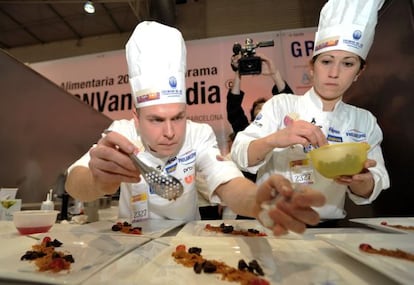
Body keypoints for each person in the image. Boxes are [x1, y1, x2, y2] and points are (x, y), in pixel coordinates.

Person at [64, 21, 325, 236]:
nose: (170, 132)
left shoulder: (198, 134)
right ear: (136, 117)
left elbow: (226, 180)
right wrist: (99, 181)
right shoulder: (121, 134)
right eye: (156, 120)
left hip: (185, 244)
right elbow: (74, 184)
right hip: (129, 241)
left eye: (177, 117)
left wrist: (257, 201)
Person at [231, 0, 390, 221]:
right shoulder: (282, 105)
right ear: (311, 67)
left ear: (359, 73)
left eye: (347, 64)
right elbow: (239, 154)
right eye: (326, 61)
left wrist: (362, 181)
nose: (334, 73)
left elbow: (371, 187)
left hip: (329, 230)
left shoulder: (364, 121)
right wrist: (276, 139)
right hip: (271, 225)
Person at [227, 53, 293, 136]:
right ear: (252, 119)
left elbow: (289, 103)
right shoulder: (248, 133)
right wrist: (238, 72)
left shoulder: (282, 129)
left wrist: (274, 73)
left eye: (265, 107)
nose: (262, 108)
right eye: (258, 108)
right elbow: (234, 110)